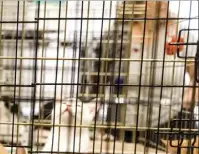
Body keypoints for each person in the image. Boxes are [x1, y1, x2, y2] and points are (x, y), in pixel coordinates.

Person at [82, 0, 197, 137]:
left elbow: (196, 77)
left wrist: (191, 94)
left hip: (171, 123)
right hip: (120, 125)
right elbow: (96, 83)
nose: (164, 3)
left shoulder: (181, 34)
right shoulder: (116, 34)